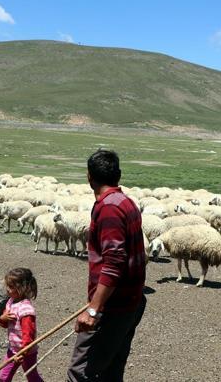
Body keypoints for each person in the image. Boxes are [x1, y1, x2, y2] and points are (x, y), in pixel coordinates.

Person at [67, 149, 147, 382]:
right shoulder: (125, 202)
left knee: (81, 373)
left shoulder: (109, 208)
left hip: (113, 308)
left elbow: (114, 262)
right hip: (130, 301)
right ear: (118, 176)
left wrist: (94, 308)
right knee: (111, 371)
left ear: (89, 177)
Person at [0, 268, 43, 382]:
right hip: (13, 350)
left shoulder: (26, 310)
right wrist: (2, 319)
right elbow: (4, 323)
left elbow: (29, 335)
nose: (8, 290)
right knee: (4, 377)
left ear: (22, 288)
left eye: (11, 287)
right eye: (7, 286)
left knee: (32, 376)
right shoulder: (11, 301)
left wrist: (23, 353)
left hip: (26, 351)